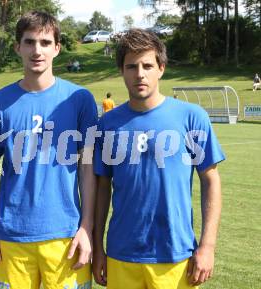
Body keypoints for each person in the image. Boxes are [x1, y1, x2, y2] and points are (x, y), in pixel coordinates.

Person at [93, 28, 225, 289]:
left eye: (147, 65)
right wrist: (98, 248)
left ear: (161, 68)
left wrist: (208, 246)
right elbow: (101, 188)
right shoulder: (107, 124)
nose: (139, 74)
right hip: (122, 255)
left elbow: (211, 181)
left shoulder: (191, 117)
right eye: (131, 66)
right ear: (122, 71)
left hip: (174, 254)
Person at [0, 11, 98, 289]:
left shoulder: (80, 99)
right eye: (29, 42)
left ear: (57, 48)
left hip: (65, 236)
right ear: (17, 47)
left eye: (45, 43)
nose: (37, 50)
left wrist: (86, 228)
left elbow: (88, 167)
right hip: (12, 237)